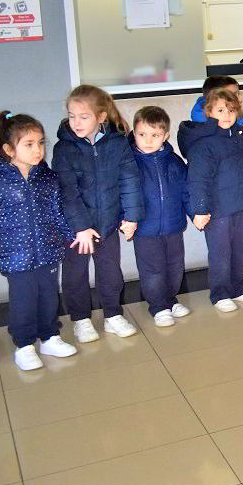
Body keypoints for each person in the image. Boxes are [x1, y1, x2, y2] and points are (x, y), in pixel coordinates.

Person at [0, 112, 76, 371]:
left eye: (41, 143)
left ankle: (49, 336)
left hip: (48, 250)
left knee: (48, 295)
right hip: (16, 256)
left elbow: (57, 212)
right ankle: (24, 345)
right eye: (29, 144)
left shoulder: (46, 178)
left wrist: (70, 236)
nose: (38, 150)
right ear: (9, 149)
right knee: (24, 300)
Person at [52, 84, 143, 343]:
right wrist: (80, 227)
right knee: (75, 275)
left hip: (109, 223)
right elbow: (67, 192)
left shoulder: (117, 143)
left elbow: (129, 180)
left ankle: (113, 314)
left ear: (101, 117)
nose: (76, 122)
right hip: (76, 228)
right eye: (71, 116)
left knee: (110, 271)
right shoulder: (64, 149)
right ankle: (81, 319)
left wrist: (132, 216)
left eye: (84, 116)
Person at [178, 88, 243, 312]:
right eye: (221, 110)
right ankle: (220, 291)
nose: (227, 115)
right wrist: (200, 209)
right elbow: (198, 180)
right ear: (208, 113)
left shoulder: (238, 136)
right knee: (220, 252)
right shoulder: (203, 144)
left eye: (232, 110)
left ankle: (237, 285)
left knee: (241, 248)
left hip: (241, 203)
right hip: (218, 209)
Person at [129, 106, 192, 327]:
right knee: (153, 269)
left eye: (155, 135)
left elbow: (186, 190)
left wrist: (195, 213)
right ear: (134, 133)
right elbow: (125, 194)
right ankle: (158, 305)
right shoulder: (130, 163)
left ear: (165, 136)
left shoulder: (173, 161)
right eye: (142, 134)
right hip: (145, 229)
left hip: (173, 225)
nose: (147, 140)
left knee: (175, 265)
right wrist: (125, 219)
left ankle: (170, 299)